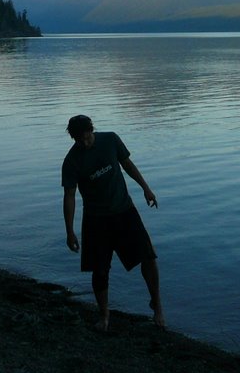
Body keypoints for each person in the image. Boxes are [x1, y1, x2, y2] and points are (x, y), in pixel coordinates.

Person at [62, 114, 165, 331]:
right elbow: (69, 196)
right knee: (99, 270)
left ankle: (157, 305)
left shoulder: (110, 140)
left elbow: (127, 164)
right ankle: (104, 316)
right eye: (79, 140)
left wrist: (146, 189)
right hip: (96, 220)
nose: (85, 143)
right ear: (73, 138)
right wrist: (70, 231)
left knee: (148, 256)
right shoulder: (71, 161)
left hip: (124, 211)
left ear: (92, 130)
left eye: (87, 138)